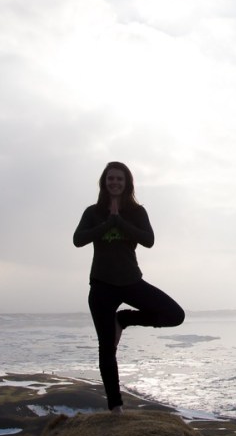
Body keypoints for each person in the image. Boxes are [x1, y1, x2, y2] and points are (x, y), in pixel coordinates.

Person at [73, 161, 185, 414]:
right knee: (106, 348)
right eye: (110, 178)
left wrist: (119, 221)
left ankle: (123, 319)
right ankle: (115, 407)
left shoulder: (137, 211)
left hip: (131, 281)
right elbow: (78, 240)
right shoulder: (93, 212)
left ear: (127, 184)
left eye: (119, 179)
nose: (114, 182)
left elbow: (149, 240)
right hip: (102, 285)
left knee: (175, 315)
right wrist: (107, 223)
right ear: (104, 182)